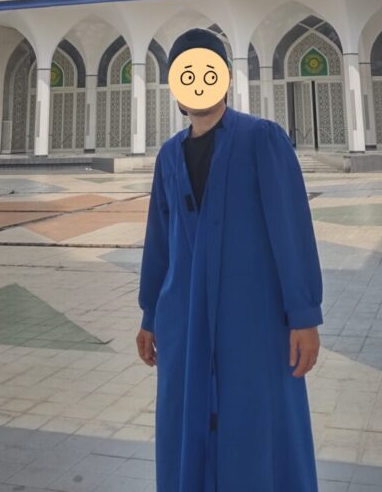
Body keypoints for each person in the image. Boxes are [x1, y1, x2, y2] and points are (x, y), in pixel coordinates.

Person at [136, 27, 323, 492]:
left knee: (257, 425)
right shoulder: (169, 157)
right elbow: (160, 243)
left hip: (252, 321)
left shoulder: (261, 139)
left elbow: (290, 229)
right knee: (187, 422)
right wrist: (150, 316)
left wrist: (303, 315)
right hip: (185, 320)